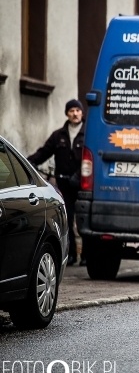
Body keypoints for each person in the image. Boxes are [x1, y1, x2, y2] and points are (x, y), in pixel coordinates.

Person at [28, 99, 86, 266]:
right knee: (67, 219)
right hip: (64, 184)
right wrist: (28, 162)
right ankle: (73, 254)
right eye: (71, 110)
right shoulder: (58, 135)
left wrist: (79, 175)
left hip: (83, 184)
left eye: (77, 110)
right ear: (67, 113)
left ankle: (87, 256)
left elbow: (91, 156)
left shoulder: (88, 132)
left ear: (82, 113)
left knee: (83, 220)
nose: (75, 113)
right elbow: (44, 152)